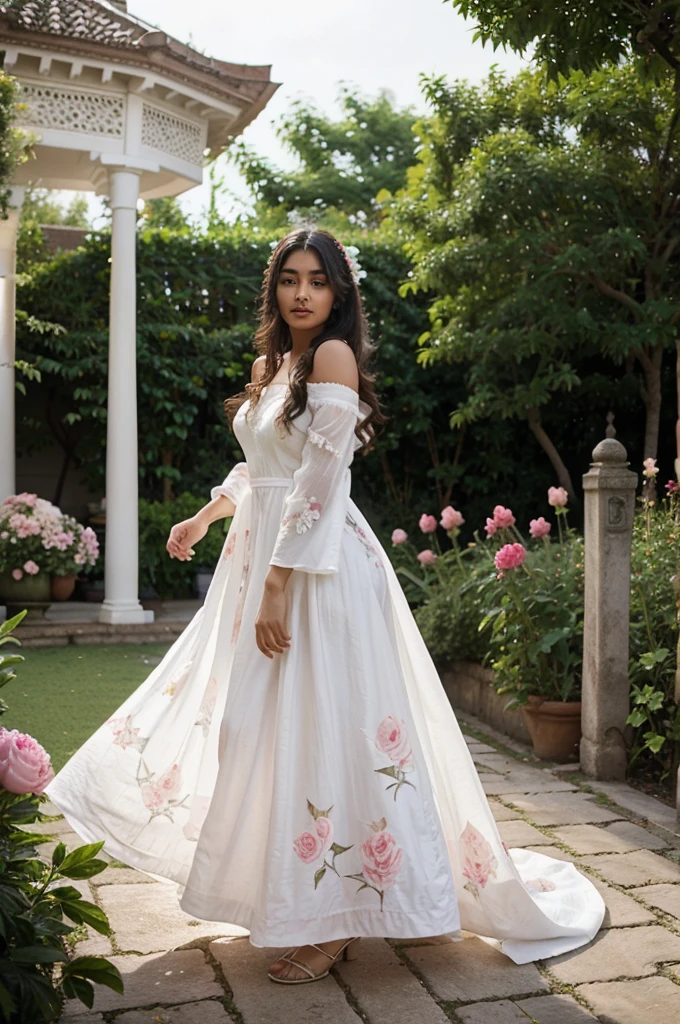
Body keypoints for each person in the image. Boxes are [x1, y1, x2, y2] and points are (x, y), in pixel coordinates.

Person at [46, 228, 605, 986]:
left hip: (317, 568)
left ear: (339, 293)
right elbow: (262, 468)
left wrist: (279, 584)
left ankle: (339, 922)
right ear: (274, 289)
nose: (302, 292)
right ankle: (287, 892)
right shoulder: (269, 366)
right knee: (258, 729)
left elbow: (319, 478)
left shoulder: (332, 359)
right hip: (261, 559)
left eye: (317, 280)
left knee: (323, 726)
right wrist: (206, 517)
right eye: (289, 279)